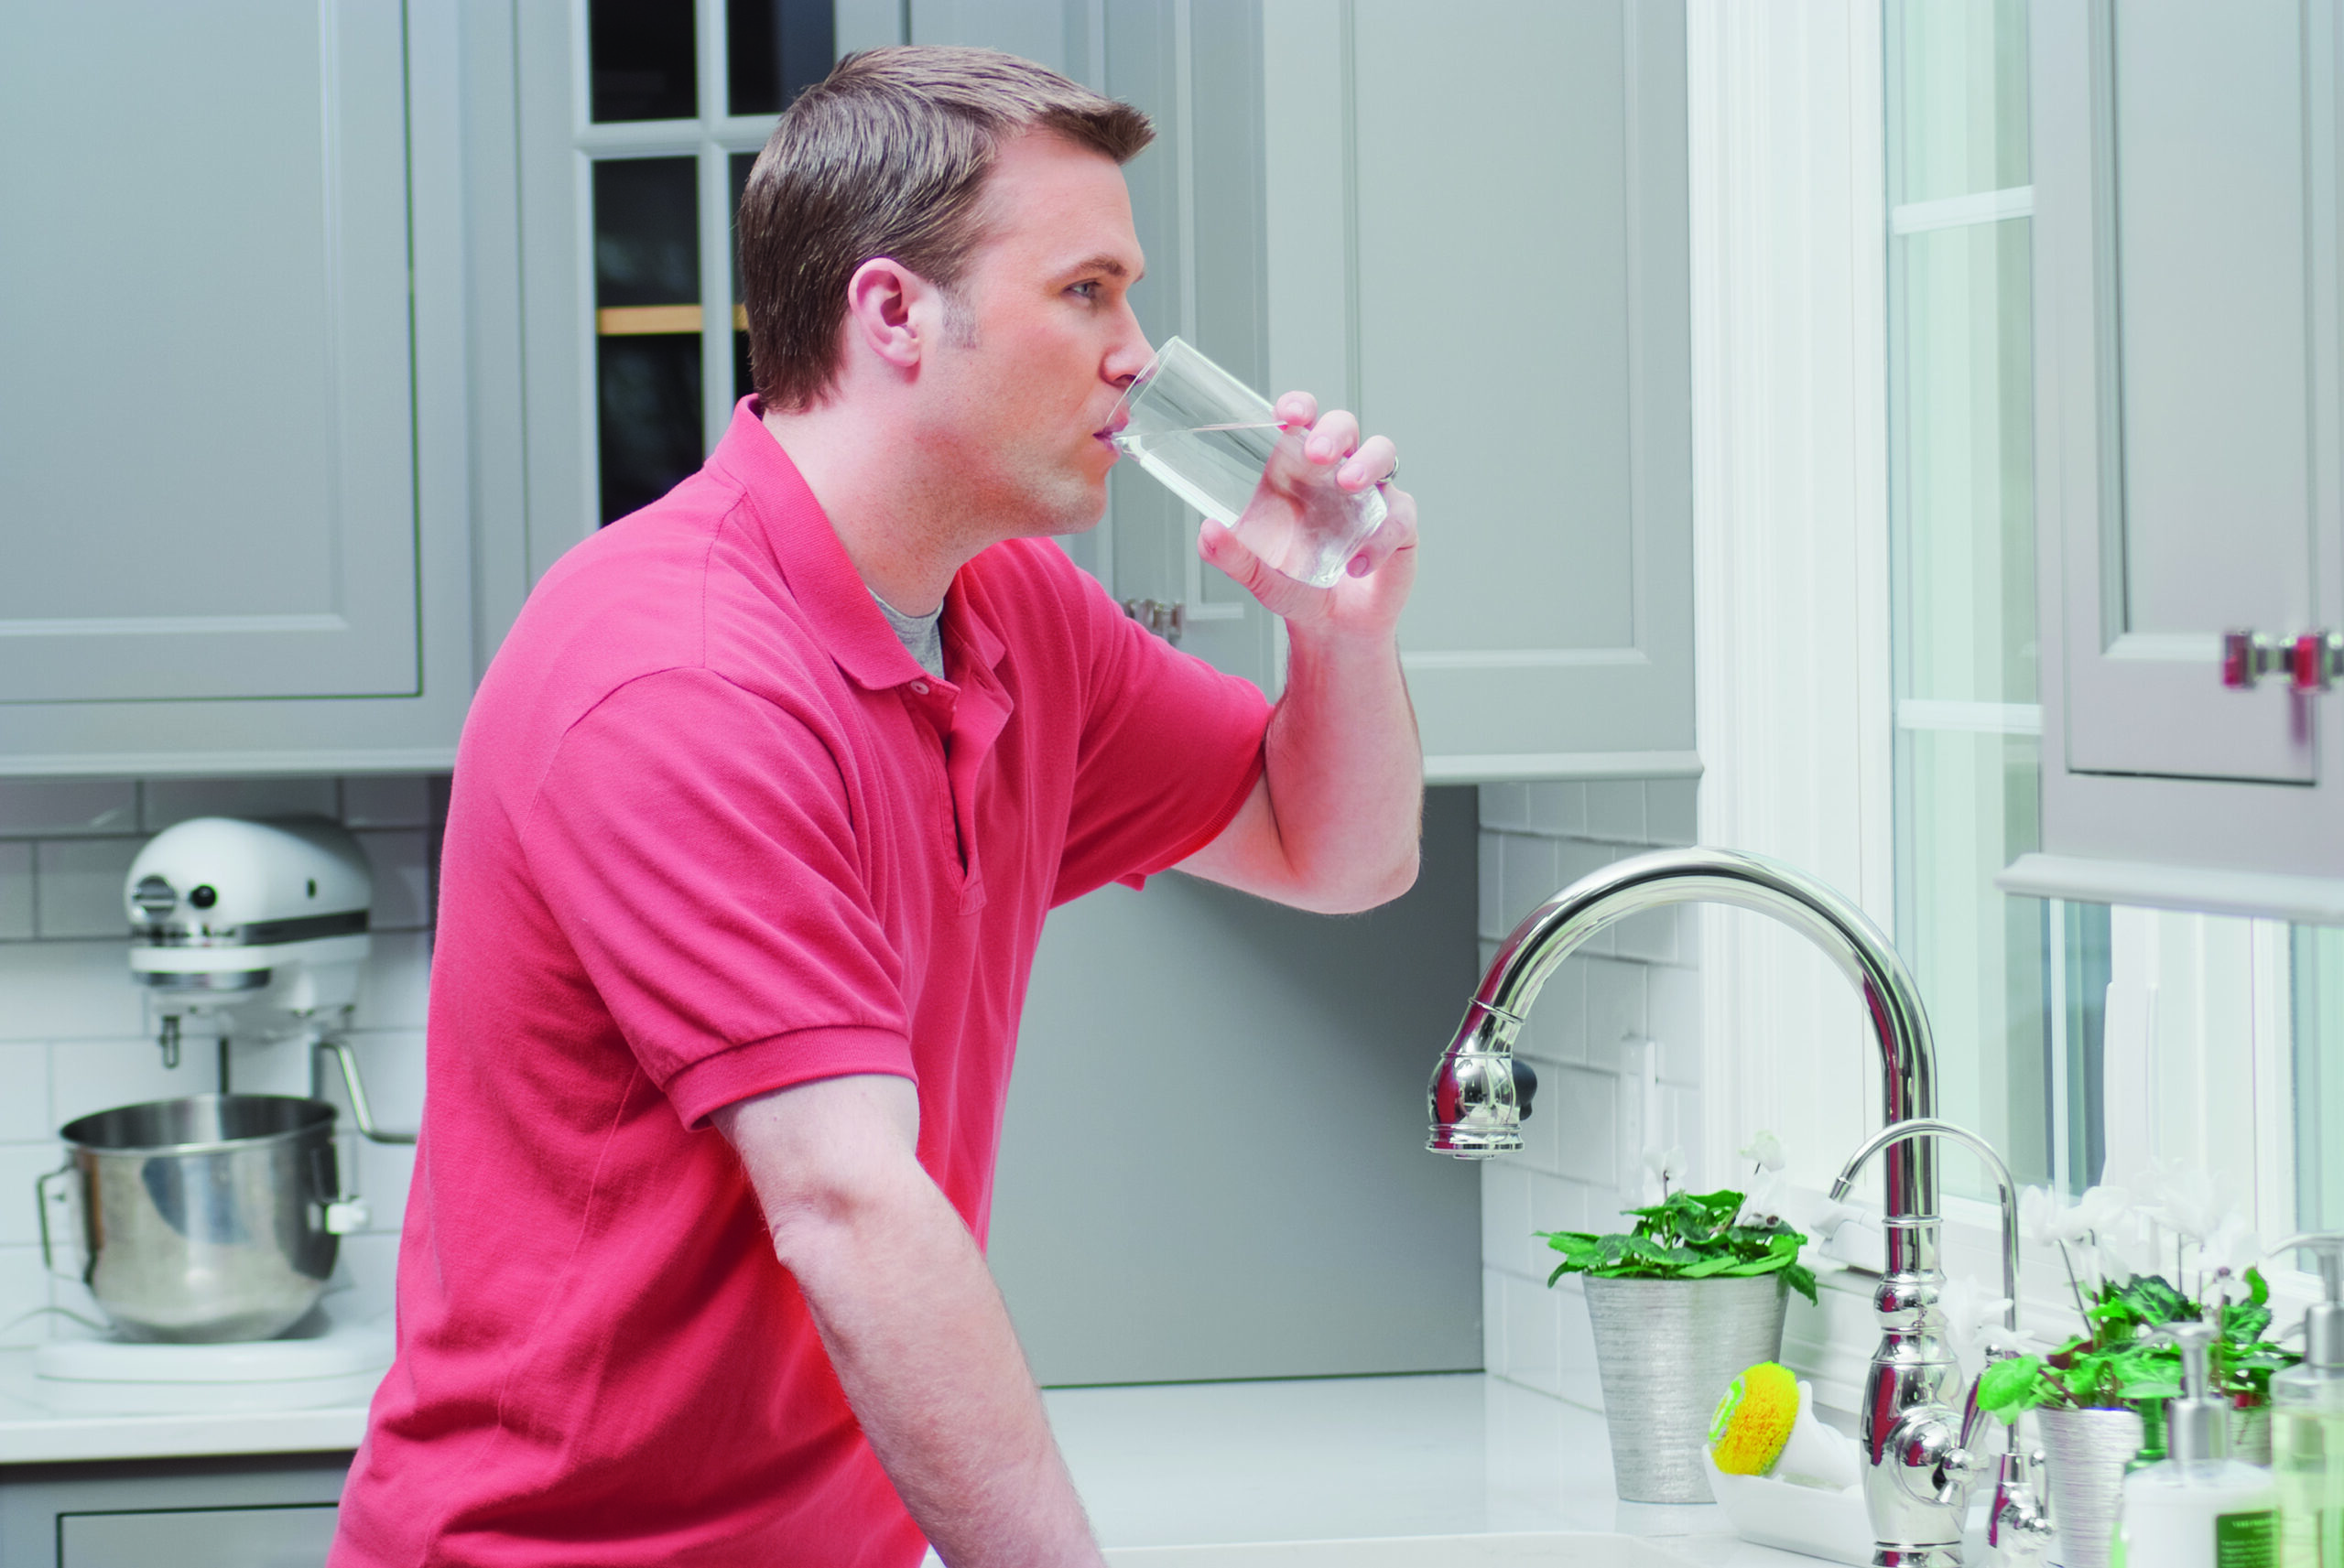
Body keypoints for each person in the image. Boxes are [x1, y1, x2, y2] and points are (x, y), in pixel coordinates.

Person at [331, 45, 1421, 1568]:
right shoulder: (678, 675)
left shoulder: (1016, 615)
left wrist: (1339, 635)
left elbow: (1342, 855)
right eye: (1088, 292)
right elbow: (847, 1203)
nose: (1137, 354)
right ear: (896, 315)